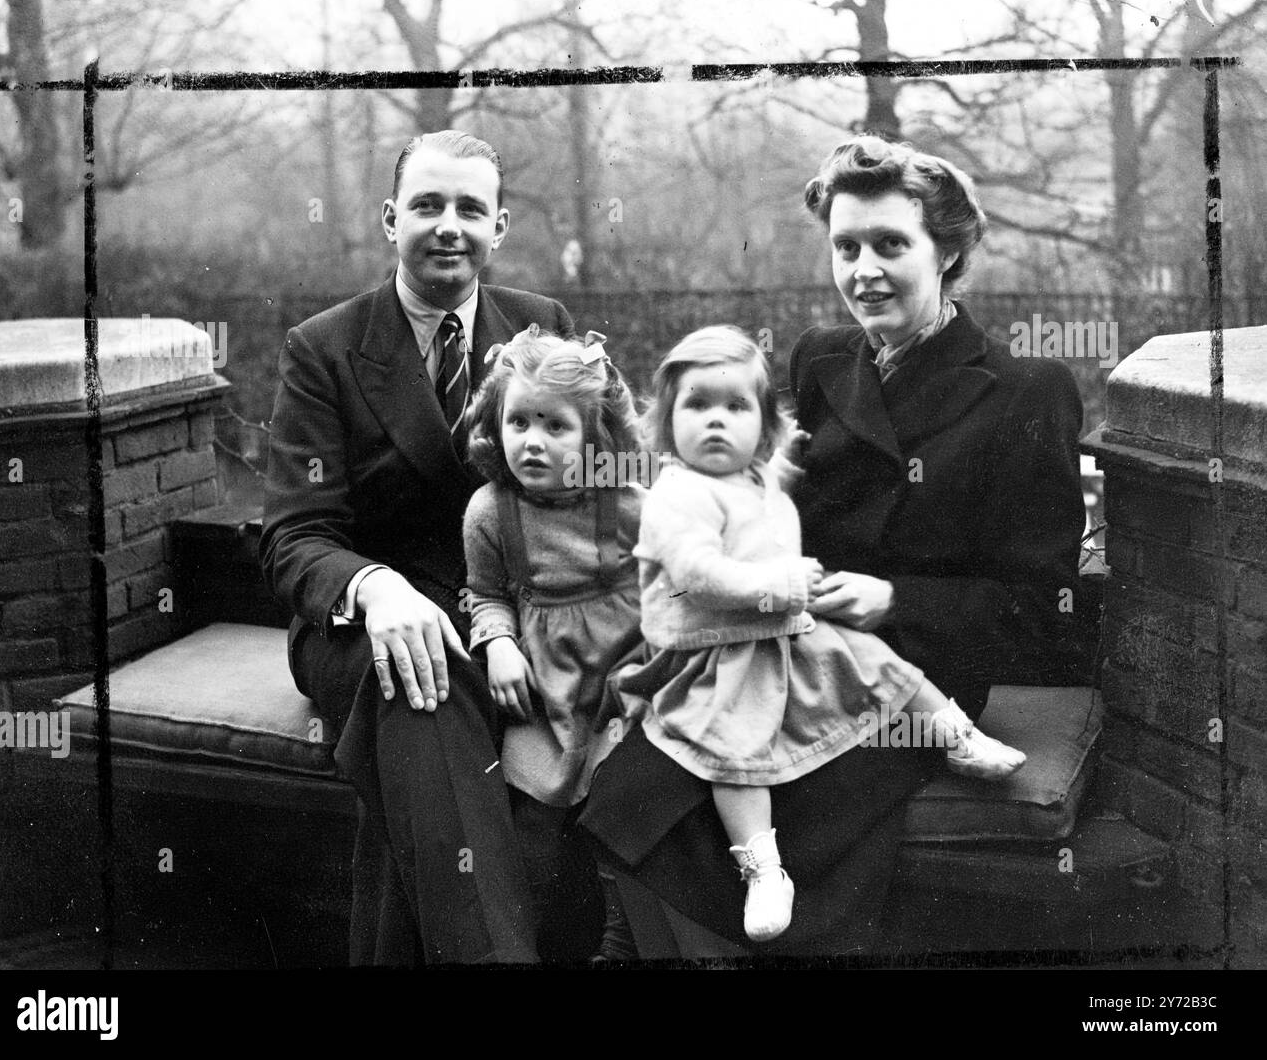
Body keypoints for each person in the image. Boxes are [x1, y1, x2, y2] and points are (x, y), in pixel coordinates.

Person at [580, 135, 1084, 956]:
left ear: (949, 251)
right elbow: (753, 496)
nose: (864, 270)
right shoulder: (821, 357)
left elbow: (1043, 609)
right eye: (846, 246)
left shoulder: (1026, 389)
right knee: (635, 788)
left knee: (782, 838)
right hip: (770, 643)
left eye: (892, 244)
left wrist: (893, 598)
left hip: (910, 675)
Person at [260, 129, 575, 965]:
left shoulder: (541, 326)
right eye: (428, 205)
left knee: (422, 757)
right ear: (391, 219)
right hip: (359, 629)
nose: (449, 226)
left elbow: (593, 482)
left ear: (498, 228)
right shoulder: (323, 347)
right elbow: (294, 535)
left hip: (503, 619)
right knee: (419, 691)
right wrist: (376, 588)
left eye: (471, 208)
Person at [611, 325, 1025, 943]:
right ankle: (763, 868)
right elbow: (700, 574)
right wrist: (780, 584)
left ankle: (957, 734)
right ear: (667, 423)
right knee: (734, 751)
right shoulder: (678, 496)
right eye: (697, 407)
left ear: (762, 423)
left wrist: (787, 458)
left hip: (780, 632)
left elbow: (771, 488)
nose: (716, 423)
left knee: (878, 660)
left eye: (736, 407)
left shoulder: (752, 475)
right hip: (714, 655)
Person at [460, 324, 646, 959]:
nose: (532, 442)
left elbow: (670, 583)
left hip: (622, 681)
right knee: (532, 821)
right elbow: (486, 595)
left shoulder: (625, 503)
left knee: (623, 811)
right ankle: (522, 945)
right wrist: (498, 644)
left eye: (555, 426)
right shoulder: (490, 512)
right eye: (518, 423)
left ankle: (620, 945)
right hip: (543, 687)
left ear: (595, 435)